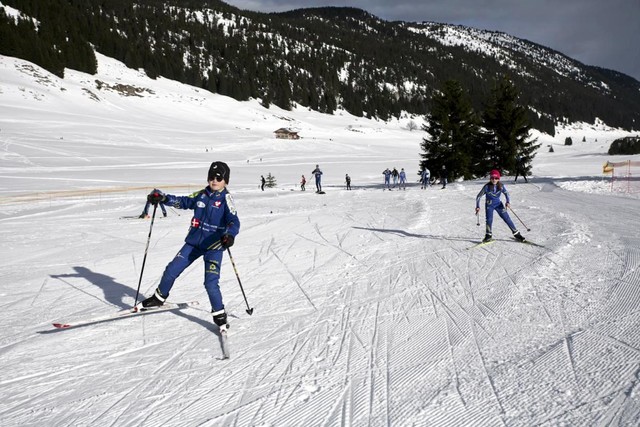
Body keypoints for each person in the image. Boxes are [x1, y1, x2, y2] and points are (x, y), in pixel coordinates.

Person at [138, 161, 240, 332]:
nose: (214, 180)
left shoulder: (226, 199)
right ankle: (159, 297)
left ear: (225, 181)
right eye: (211, 177)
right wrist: (164, 198)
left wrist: (230, 235)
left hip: (214, 246)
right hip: (194, 243)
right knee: (171, 269)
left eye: (218, 177)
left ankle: (219, 315)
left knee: (210, 283)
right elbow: (183, 201)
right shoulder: (202, 195)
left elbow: (234, 221)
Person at [475, 169, 526, 243]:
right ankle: (488, 235)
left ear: (499, 178)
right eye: (492, 178)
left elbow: (507, 194)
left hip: (498, 204)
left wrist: (508, 202)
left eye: (496, 178)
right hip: (489, 205)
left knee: (507, 218)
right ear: (490, 178)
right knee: (489, 219)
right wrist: (477, 206)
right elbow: (478, 197)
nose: (494, 180)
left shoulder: (501, 186)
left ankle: (516, 234)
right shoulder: (486, 187)